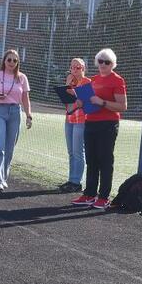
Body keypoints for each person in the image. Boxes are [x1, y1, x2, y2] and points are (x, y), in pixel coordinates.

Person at [72, 48, 127, 210]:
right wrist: (82, 103)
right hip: (90, 122)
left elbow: (123, 106)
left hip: (108, 124)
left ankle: (103, 196)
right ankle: (89, 194)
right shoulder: (93, 80)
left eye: (107, 62)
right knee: (91, 159)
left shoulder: (117, 80)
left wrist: (101, 102)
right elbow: (87, 102)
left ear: (113, 64)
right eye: (101, 61)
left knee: (105, 160)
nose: (103, 64)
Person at [0, 49, 33, 192]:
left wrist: (29, 115)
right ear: (4, 60)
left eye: (15, 60)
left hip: (15, 112)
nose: (11, 62)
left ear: (18, 63)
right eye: (9, 59)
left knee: (9, 148)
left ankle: (4, 177)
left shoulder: (22, 78)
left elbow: (25, 98)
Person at [58, 57, 87, 192]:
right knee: (71, 152)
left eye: (78, 67)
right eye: (72, 67)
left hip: (81, 120)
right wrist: (67, 86)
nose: (75, 70)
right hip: (69, 119)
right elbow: (67, 103)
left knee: (78, 152)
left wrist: (73, 89)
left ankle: (77, 182)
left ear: (83, 69)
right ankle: (71, 180)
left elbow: (85, 102)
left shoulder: (87, 82)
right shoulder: (70, 83)